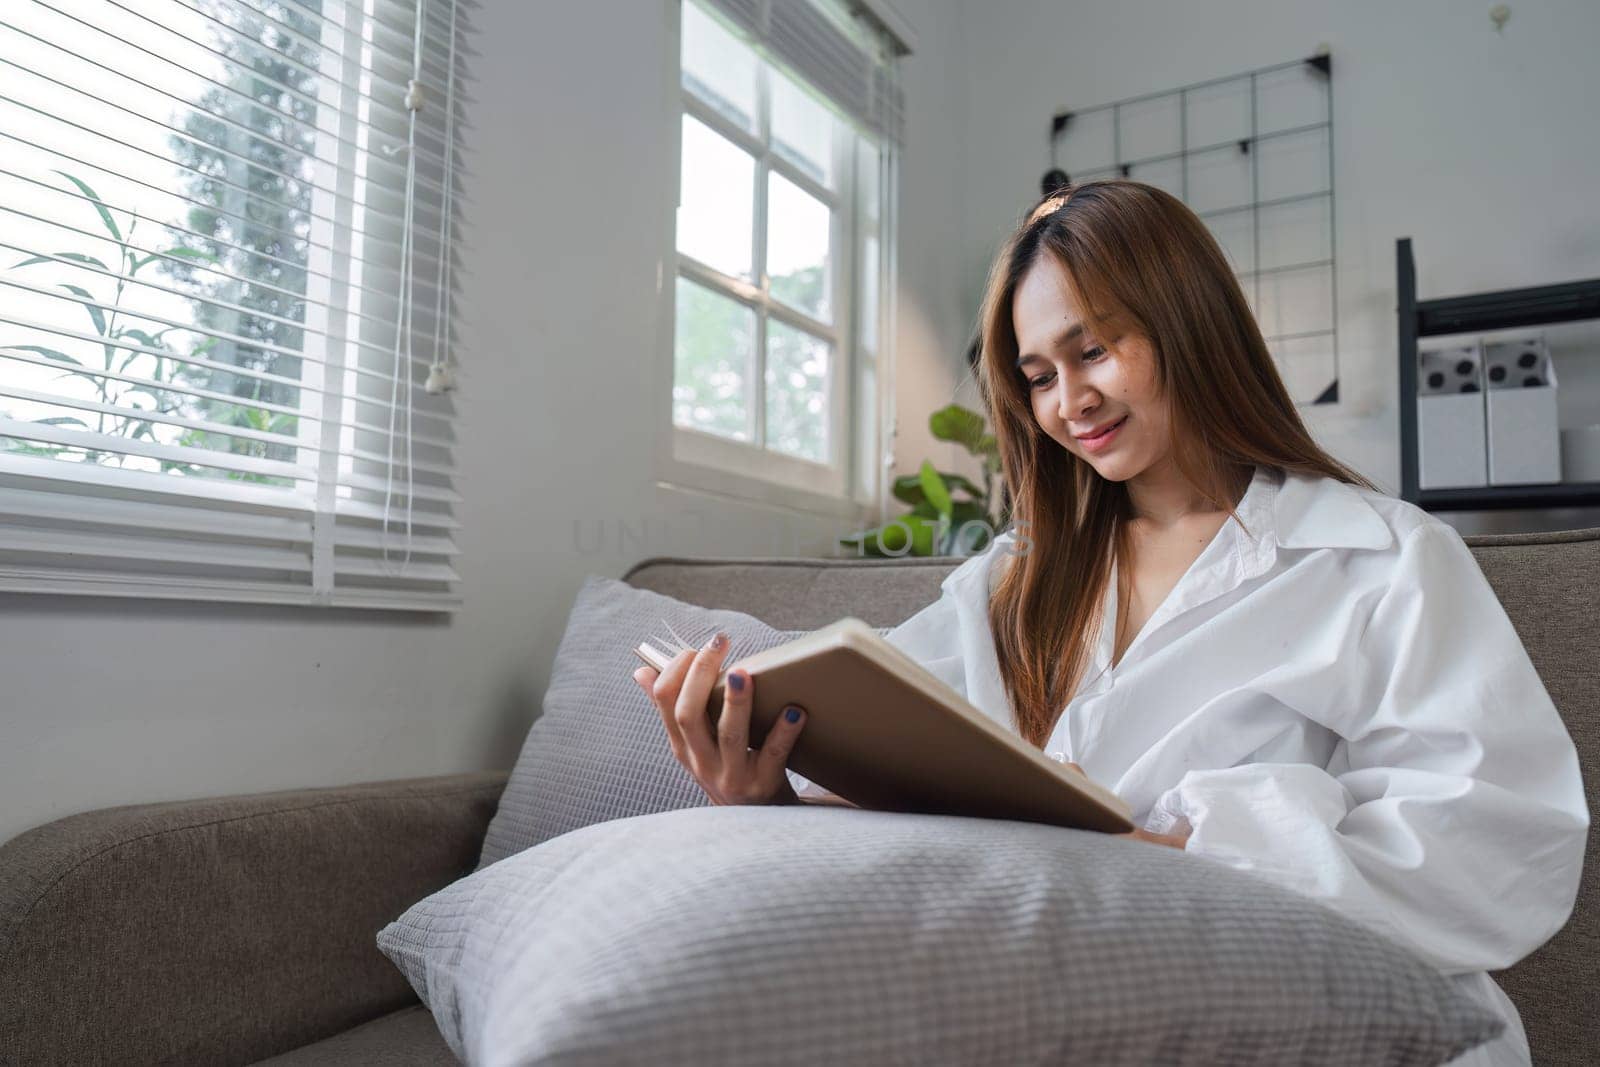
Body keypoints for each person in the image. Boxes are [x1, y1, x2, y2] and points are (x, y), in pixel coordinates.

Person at [632, 180, 1589, 1066]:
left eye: (1092, 350)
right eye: (1038, 374)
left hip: (1304, 1014)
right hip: (1061, 1006)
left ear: (1191, 323)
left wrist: (1182, 846)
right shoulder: (1013, 580)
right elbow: (931, 798)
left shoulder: (1380, 558)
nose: (1068, 402)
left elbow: (1501, 845)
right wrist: (777, 798)